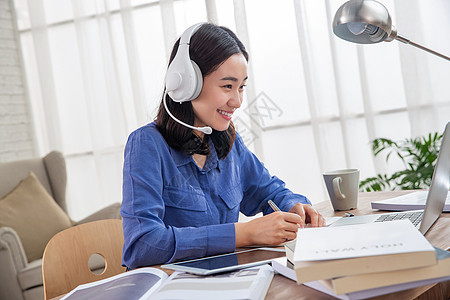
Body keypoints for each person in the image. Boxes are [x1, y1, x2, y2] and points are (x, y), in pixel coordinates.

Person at [121, 23, 325, 269]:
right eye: (227, 86)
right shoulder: (147, 145)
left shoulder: (227, 139)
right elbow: (142, 246)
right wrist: (243, 234)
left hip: (230, 280)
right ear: (187, 83)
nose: (237, 101)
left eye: (241, 87)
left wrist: (295, 206)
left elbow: (269, 191)